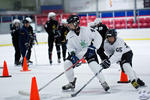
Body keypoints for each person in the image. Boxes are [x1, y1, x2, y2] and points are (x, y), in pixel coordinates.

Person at [62, 15, 110, 92]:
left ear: (75, 23)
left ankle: (103, 82)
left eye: (70, 23)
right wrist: (72, 54)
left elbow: (98, 37)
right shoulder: (69, 35)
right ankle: (71, 83)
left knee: (94, 65)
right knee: (67, 63)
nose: (69, 25)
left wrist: (94, 47)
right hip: (78, 53)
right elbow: (70, 46)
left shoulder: (87, 30)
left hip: (89, 51)